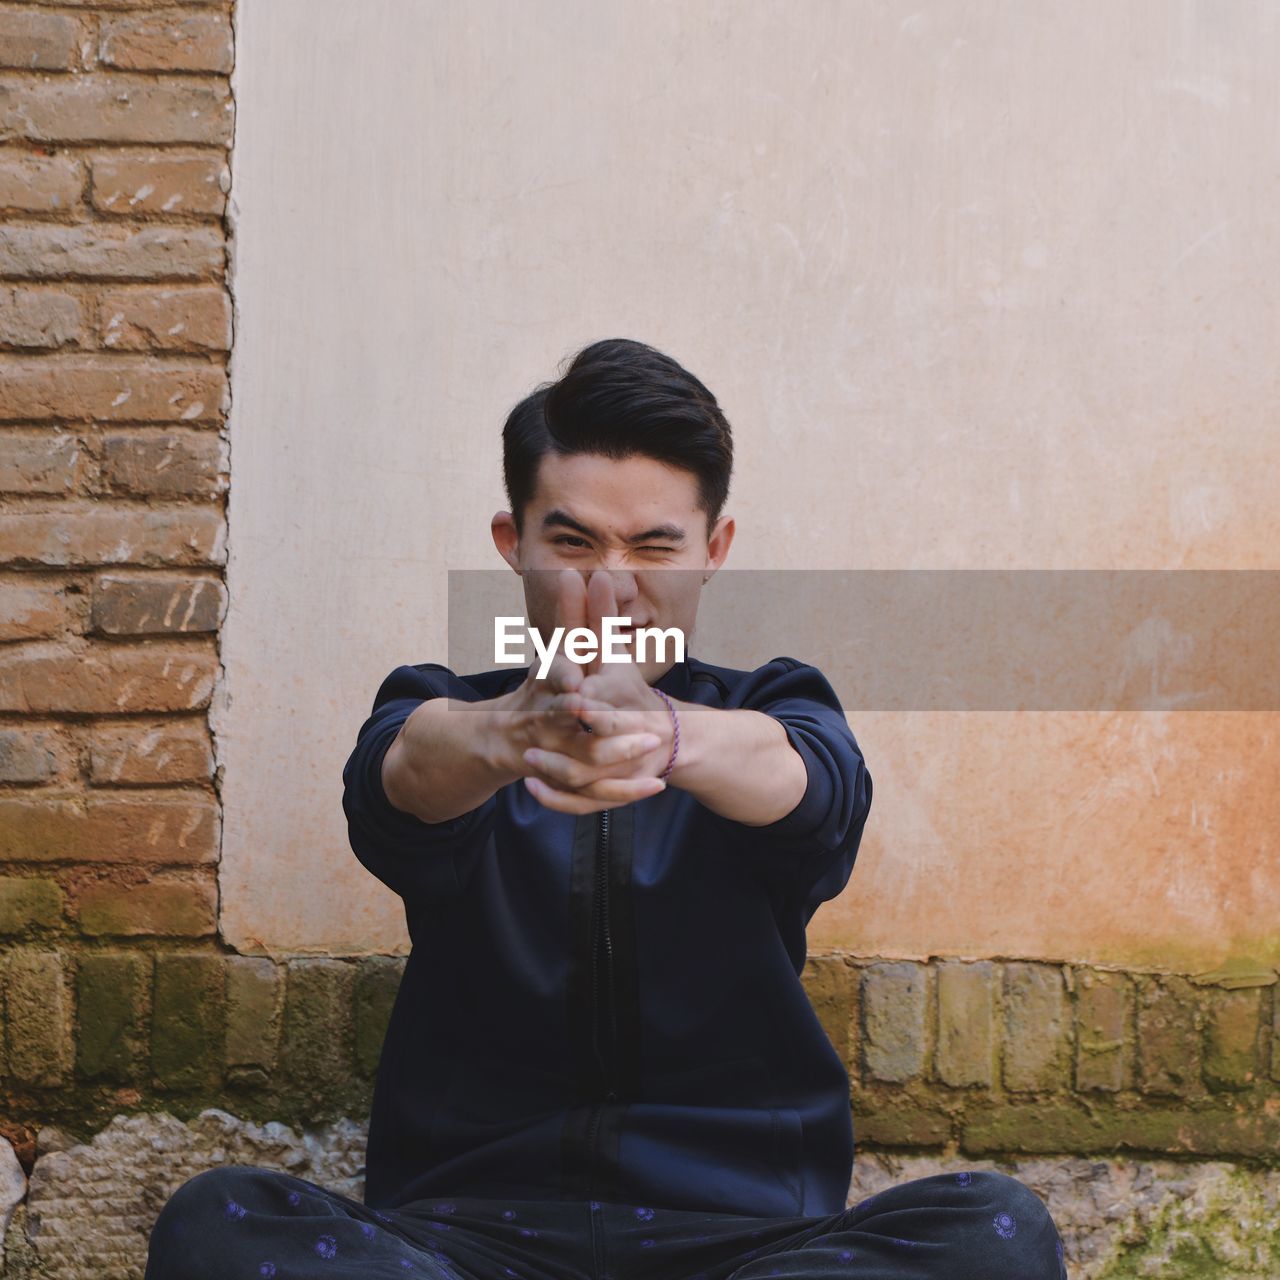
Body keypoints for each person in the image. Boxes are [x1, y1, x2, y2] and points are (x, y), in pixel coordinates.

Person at [144, 338, 1068, 1279]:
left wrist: (666, 736)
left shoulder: (772, 708)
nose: (614, 587)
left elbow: (813, 786)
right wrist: (519, 733)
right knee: (218, 1222)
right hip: (466, 1241)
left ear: (715, 550)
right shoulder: (453, 708)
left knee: (995, 1229)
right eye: (575, 542)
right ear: (515, 545)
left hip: (741, 1245)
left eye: (655, 546)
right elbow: (402, 771)